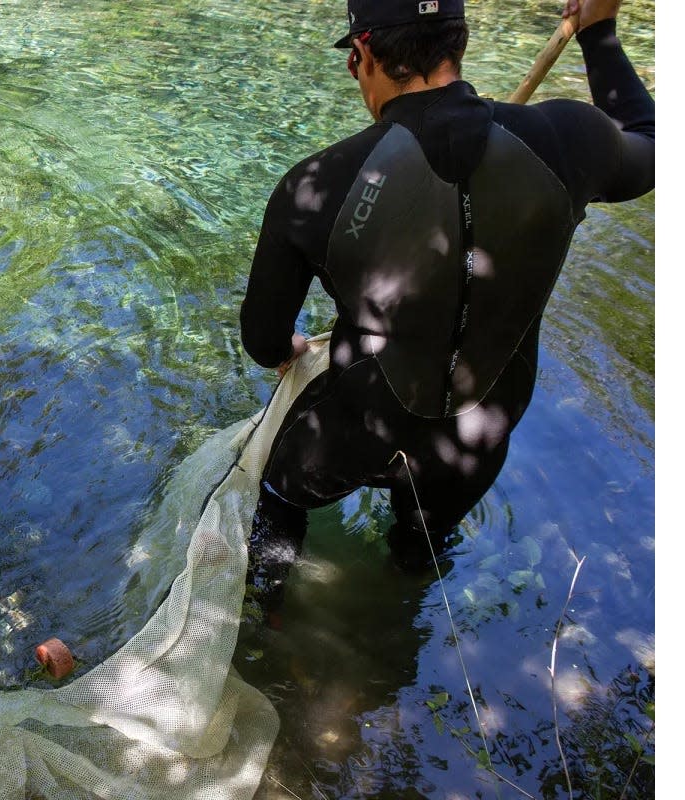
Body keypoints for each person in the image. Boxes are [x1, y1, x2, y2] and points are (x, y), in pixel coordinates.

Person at [240, 0, 653, 614]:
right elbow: (651, 142)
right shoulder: (569, 139)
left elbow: (264, 338)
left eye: (355, 61)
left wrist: (291, 351)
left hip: (358, 425)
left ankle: (269, 623)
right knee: (420, 554)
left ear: (367, 53)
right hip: (479, 434)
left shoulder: (315, 184)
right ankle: (402, 611)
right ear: (456, 42)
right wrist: (599, 33)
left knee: (282, 494)